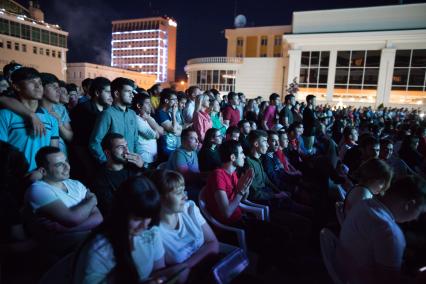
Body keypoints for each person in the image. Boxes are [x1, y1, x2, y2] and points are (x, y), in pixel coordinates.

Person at [73, 176, 189, 284]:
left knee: (182, 271)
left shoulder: (151, 231)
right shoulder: (101, 249)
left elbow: (158, 269)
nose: (145, 225)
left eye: (149, 217)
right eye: (137, 219)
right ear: (121, 214)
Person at [336, 175, 426, 284]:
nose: (416, 218)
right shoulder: (390, 233)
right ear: (409, 204)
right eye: (420, 213)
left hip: (343, 271)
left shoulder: (364, 204)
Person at [25, 147, 103, 254]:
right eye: (59, 164)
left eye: (66, 161)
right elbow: (73, 219)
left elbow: (98, 218)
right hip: (60, 251)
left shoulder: (76, 184)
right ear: (43, 171)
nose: (67, 167)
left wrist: (64, 229)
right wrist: (92, 200)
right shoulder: (38, 189)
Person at [151, 170, 219, 280]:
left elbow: (213, 243)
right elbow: (161, 275)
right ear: (160, 198)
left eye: (184, 191)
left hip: (209, 270)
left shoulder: (190, 208)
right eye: (179, 193)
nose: (185, 197)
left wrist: (185, 266)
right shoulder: (154, 231)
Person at [0, 67, 59, 171]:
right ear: (16, 87)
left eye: (40, 82)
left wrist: (42, 173)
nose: (38, 86)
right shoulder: (5, 115)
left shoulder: (51, 119)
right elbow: (2, 153)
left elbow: (53, 152)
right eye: (32, 82)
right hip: (14, 179)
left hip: (41, 179)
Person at [89, 77, 141, 164]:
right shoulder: (107, 114)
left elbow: (135, 140)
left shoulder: (132, 114)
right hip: (114, 166)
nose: (132, 95)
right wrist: (106, 162)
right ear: (117, 93)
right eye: (128, 92)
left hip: (131, 164)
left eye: (132, 92)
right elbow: (94, 142)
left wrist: (136, 158)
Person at [91, 133, 144, 216]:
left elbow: (147, 189)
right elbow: (111, 208)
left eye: (126, 146)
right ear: (108, 153)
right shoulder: (100, 178)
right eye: (121, 147)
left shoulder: (134, 166)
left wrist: (142, 167)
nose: (127, 151)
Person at [39, 73, 73, 156]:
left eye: (58, 88)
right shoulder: (31, 111)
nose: (59, 91)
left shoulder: (60, 109)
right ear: (41, 88)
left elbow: (70, 137)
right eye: (54, 87)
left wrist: (59, 124)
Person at [131, 92, 164, 168]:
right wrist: (156, 130)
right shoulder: (137, 119)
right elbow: (156, 135)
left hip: (152, 158)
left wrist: (149, 119)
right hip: (144, 159)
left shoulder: (149, 117)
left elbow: (161, 131)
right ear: (139, 105)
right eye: (148, 103)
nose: (151, 106)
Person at [155, 89, 182, 161]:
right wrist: (173, 113)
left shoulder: (168, 112)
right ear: (166, 101)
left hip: (172, 148)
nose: (177, 102)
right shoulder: (160, 113)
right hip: (165, 149)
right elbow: (173, 129)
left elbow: (180, 130)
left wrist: (176, 131)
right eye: (174, 99)